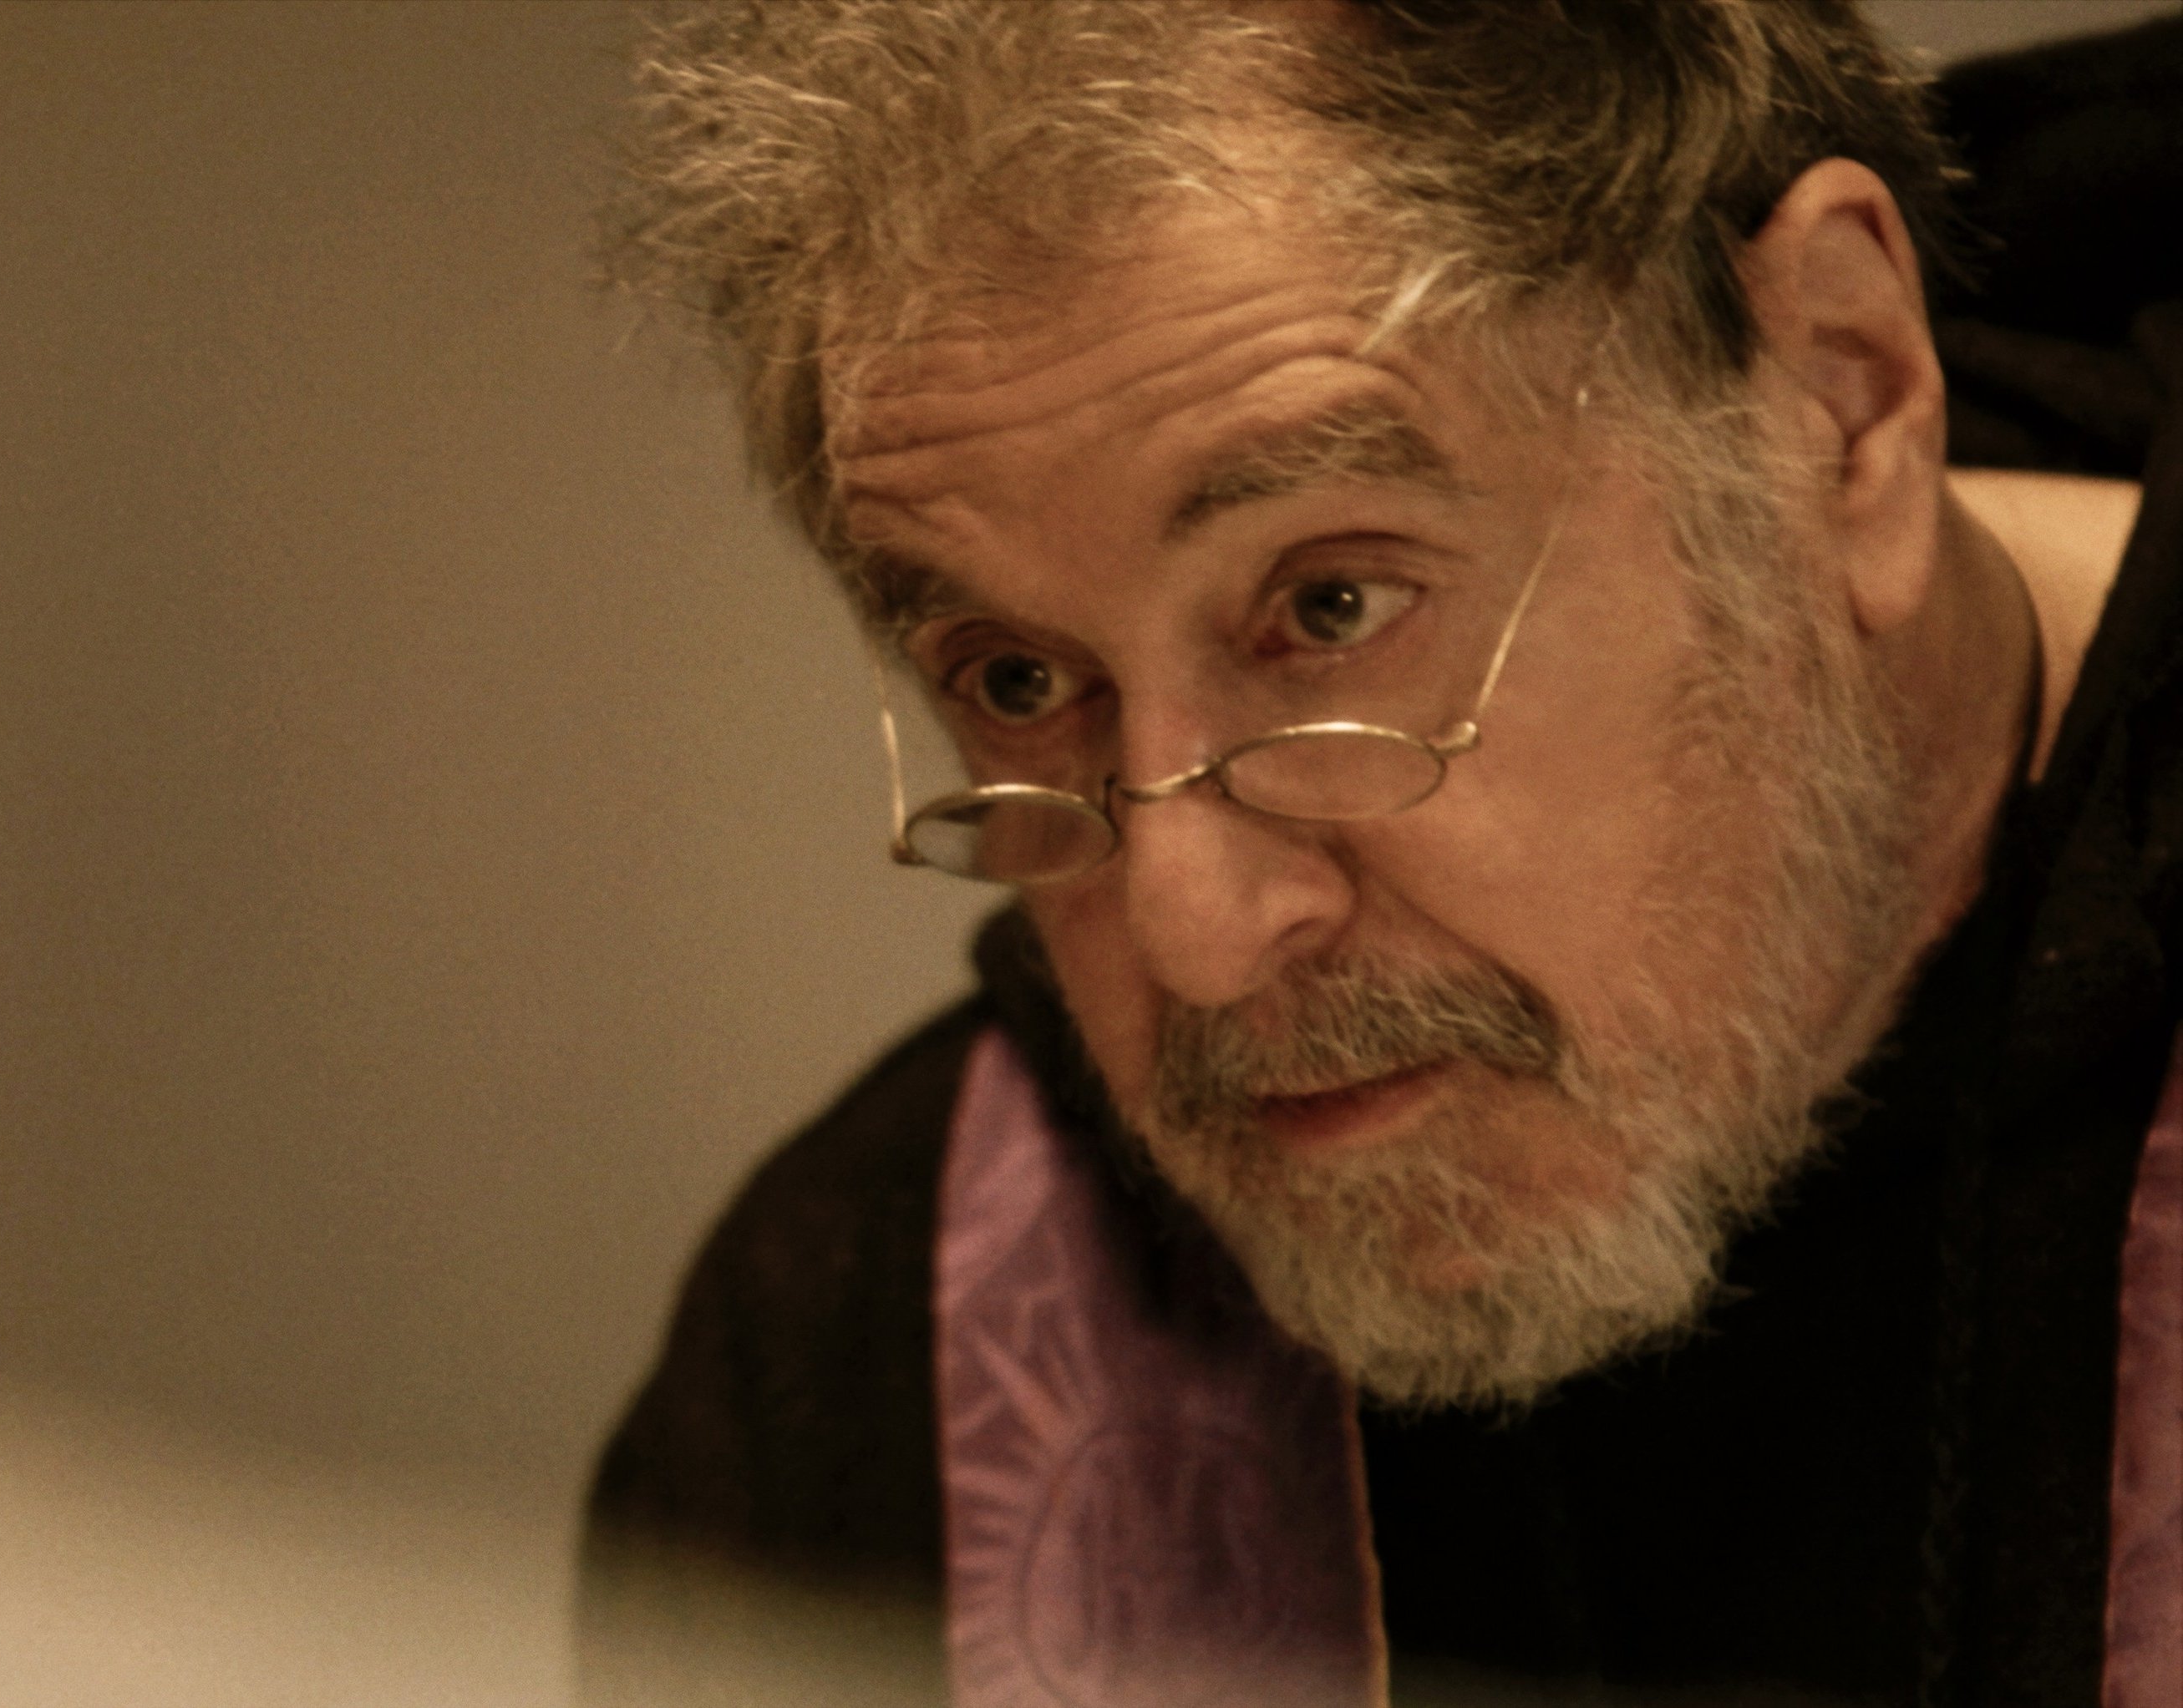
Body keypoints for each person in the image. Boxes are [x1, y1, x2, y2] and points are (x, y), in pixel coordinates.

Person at [581, 4, 2183, 1705]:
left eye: (1332, 604)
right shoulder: (867, 1368)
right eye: (1021, 683)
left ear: (1841, 401)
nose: (1197, 932)